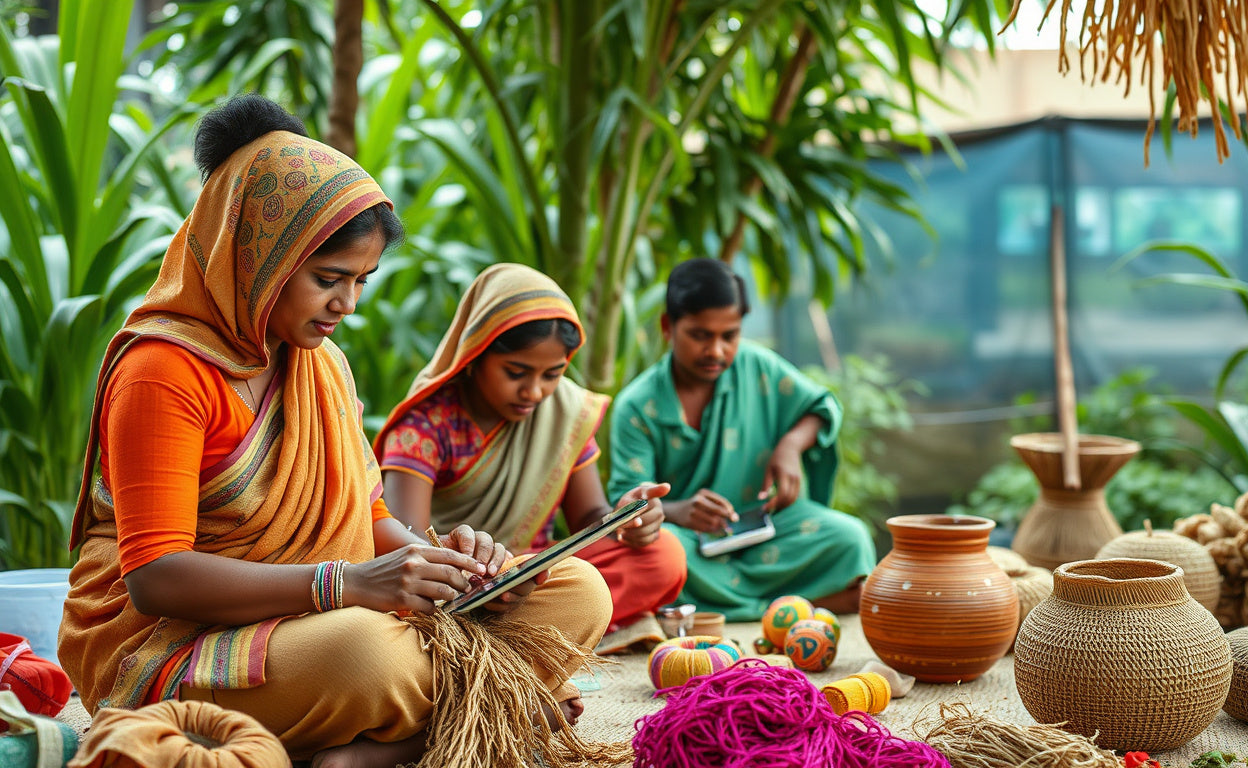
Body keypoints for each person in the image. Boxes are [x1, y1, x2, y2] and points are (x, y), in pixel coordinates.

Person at [59, 95, 612, 768]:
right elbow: (157, 578)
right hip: (179, 645)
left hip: (323, 620)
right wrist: (345, 584)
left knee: (576, 590)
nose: (346, 304)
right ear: (257, 258)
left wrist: (444, 568)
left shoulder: (321, 366)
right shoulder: (161, 371)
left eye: (361, 281)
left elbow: (366, 516)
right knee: (369, 656)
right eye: (329, 279)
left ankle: (384, 748)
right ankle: (492, 715)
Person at [375, 263, 687, 643]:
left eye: (552, 374)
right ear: (475, 354)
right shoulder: (425, 425)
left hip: (534, 571)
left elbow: (588, 517)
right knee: (420, 586)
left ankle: (507, 634)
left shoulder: (565, 413)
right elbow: (405, 541)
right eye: (516, 372)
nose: (534, 391)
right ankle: (538, 631)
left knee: (664, 555)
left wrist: (624, 521)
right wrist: (484, 571)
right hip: (459, 582)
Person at [606, 258, 876, 622]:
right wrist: (677, 511)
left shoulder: (759, 367)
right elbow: (629, 504)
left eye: (729, 336)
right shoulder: (637, 405)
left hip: (766, 530)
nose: (716, 351)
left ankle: (718, 609)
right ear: (668, 327)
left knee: (850, 536)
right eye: (700, 335)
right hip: (690, 545)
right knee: (659, 553)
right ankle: (804, 603)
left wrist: (791, 446)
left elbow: (822, 408)